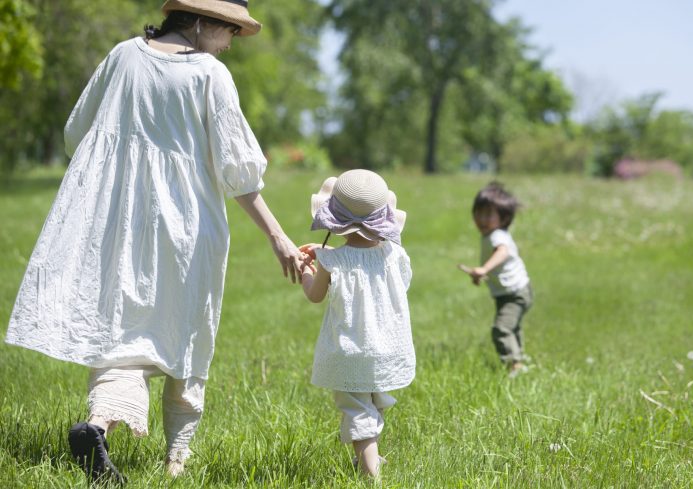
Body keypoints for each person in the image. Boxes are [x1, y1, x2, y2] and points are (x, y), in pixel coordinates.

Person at [4, 0, 304, 483]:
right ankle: (175, 463)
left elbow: (77, 132)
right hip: (188, 227)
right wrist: (279, 237)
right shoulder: (209, 74)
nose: (230, 45)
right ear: (203, 22)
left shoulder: (124, 54)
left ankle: (98, 424)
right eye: (230, 31)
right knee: (185, 338)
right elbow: (238, 171)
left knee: (122, 338)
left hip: (118, 222)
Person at [298, 170, 415, 479]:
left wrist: (309, 268)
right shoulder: (395, 255)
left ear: (334, 219)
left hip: (350, 348)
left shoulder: (331, 260)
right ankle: (369, 456)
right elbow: (402, 286)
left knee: (356, 408)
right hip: (386, 346)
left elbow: (314, 295)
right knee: (373, 401)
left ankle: (369, 474)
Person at [458, 182, 533, 378]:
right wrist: (482, 275)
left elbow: (502, 252)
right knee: (512, 327)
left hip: (515, 292)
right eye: (478, 213)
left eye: (488, 215)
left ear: (503, 218)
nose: (481, 219)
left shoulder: (497, 236)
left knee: (501, 328)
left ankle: (513, 366)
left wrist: (483, 268)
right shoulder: (490, 235)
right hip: (509, 291)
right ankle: (519, 361)